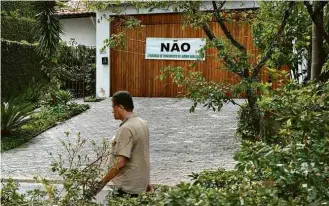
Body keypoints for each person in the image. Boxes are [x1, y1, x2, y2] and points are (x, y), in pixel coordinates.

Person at [92, 91, 151, 197]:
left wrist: (101, 184)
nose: (112, 111)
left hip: (127, 189)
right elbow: (142, 155)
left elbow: (120, 162)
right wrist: (147, 182)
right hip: (139, 186)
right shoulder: (142, 123)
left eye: (113, 107)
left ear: (120, 107)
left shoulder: (126, 128)